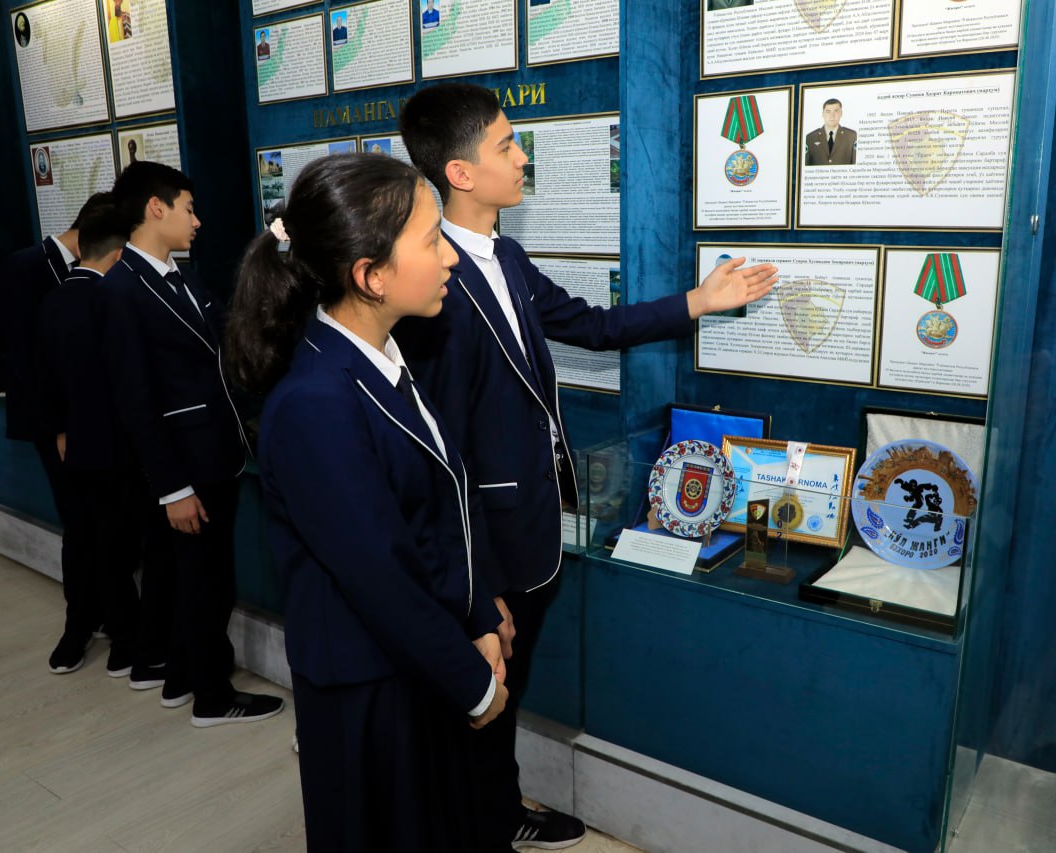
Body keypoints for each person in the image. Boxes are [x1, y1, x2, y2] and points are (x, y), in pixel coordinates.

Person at [396, 82, 777, 850]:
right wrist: (475, 587)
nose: (522, 156)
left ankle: (497, 808)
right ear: (461, 172)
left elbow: (593, 325)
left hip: (533, 528)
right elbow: (441, 455)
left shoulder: (505, 255)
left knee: (504, 688)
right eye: (506, 144)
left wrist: (697, 301)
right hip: (487, 547)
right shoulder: (433, 284)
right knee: (476, 692)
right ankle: (475, 823)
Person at [224, 153, 510, 851]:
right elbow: (381, 576)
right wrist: (473, 682)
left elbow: (444, 501)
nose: (451, 257)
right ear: (371, 275)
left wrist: (480, 611)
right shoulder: (315, 403)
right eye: (432, 240)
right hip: (369, 686)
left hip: (418, 660)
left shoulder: (380, 356)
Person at [100, 161, 284, 727]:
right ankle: (213, 696)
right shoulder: (121, 289)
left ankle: (182, 676)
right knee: (206, 582)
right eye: (188, 208)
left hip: (213, 453)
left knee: (198, 577)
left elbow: (224, 336)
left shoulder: (179, 276)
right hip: (186, 465)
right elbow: (134, 400)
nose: (197, 221)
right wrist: (173, 488)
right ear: (156, 208)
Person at [34, 195, 141, 679]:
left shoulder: (52, 299)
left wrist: (59, 428)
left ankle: (76, 631)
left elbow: (41, 376)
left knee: (79, 538)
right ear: (118, 255)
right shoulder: (113, 300)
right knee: (116, 542)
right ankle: (124, 642)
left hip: (70, 443)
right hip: (115, 443)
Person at [1, 195, 106, 674]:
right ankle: (77, 626)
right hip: (56, 426)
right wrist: (60, 428)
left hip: (95, 419)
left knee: (103, 521)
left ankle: (108, 613)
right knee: (79, 523)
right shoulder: (25, 268)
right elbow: (23, 358)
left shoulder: (96, 270)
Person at [805, 98, 857, 166]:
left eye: (836, 111)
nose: (832, 116)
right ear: (823, 114)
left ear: (841, 113)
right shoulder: (810, 138)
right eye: (828, 111)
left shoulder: (851, 136)